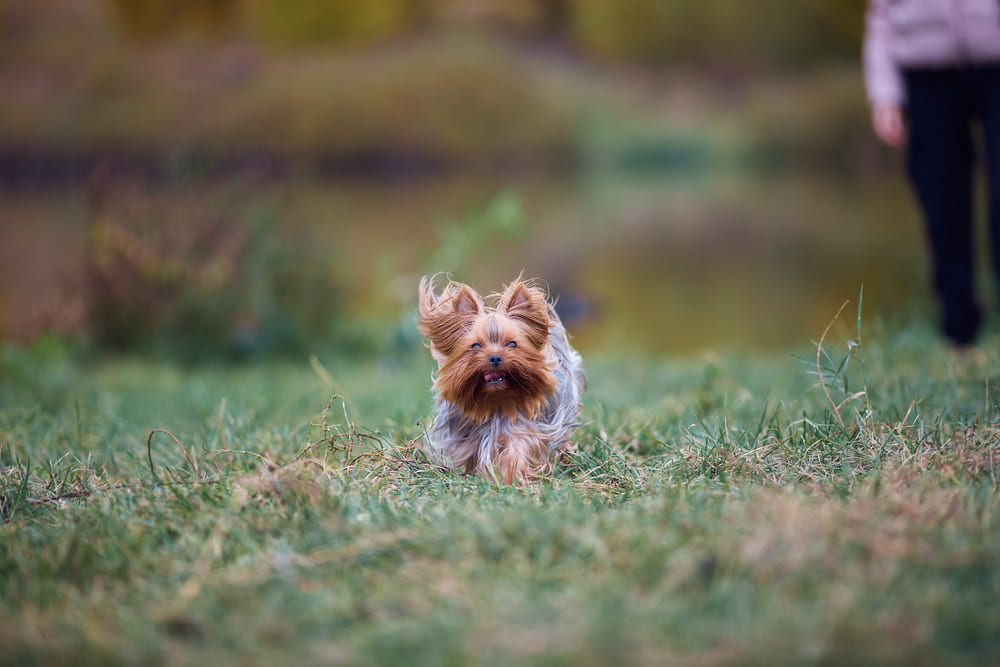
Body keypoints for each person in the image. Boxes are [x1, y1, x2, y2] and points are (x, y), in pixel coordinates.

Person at [863, 0, 1000, 345]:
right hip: (925, 71)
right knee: (943, 203)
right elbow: (881, 21)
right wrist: (884, 97)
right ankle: (959, 332)